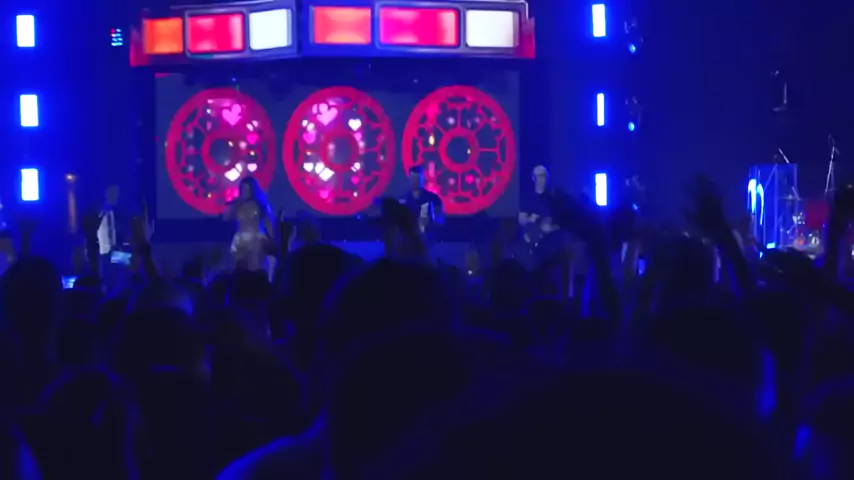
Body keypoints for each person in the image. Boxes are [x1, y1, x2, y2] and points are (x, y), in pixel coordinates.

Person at [225, 177, 274, 273]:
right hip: (240, 240)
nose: (245, 192)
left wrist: (271, 238)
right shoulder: (237, 205)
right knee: (239, 268)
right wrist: (235, 204)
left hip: (256, 239)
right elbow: (227, 217)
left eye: (247, 189)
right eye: (243, 189)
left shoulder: (261, 205)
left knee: (254, 267)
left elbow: (269, 222)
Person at [518, 165, 560, 264]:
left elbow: (560, 222)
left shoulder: (552, 198)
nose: (542, 179)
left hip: (550, 239)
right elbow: (521, 220)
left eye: (544, 176)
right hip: (532, 239)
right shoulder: (527, 198)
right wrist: (531, 219)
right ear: (533, 178)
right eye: (540, 176)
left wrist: (551, 227)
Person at [399, 166, 444, 237]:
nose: (415, 181)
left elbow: (440, 221)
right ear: (409, 179)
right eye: (413, 178)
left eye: (418, 178)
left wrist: (430, 222)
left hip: (429, 239)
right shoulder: (402, 200)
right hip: (407, 239)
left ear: (423, 179)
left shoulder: (434, 199)